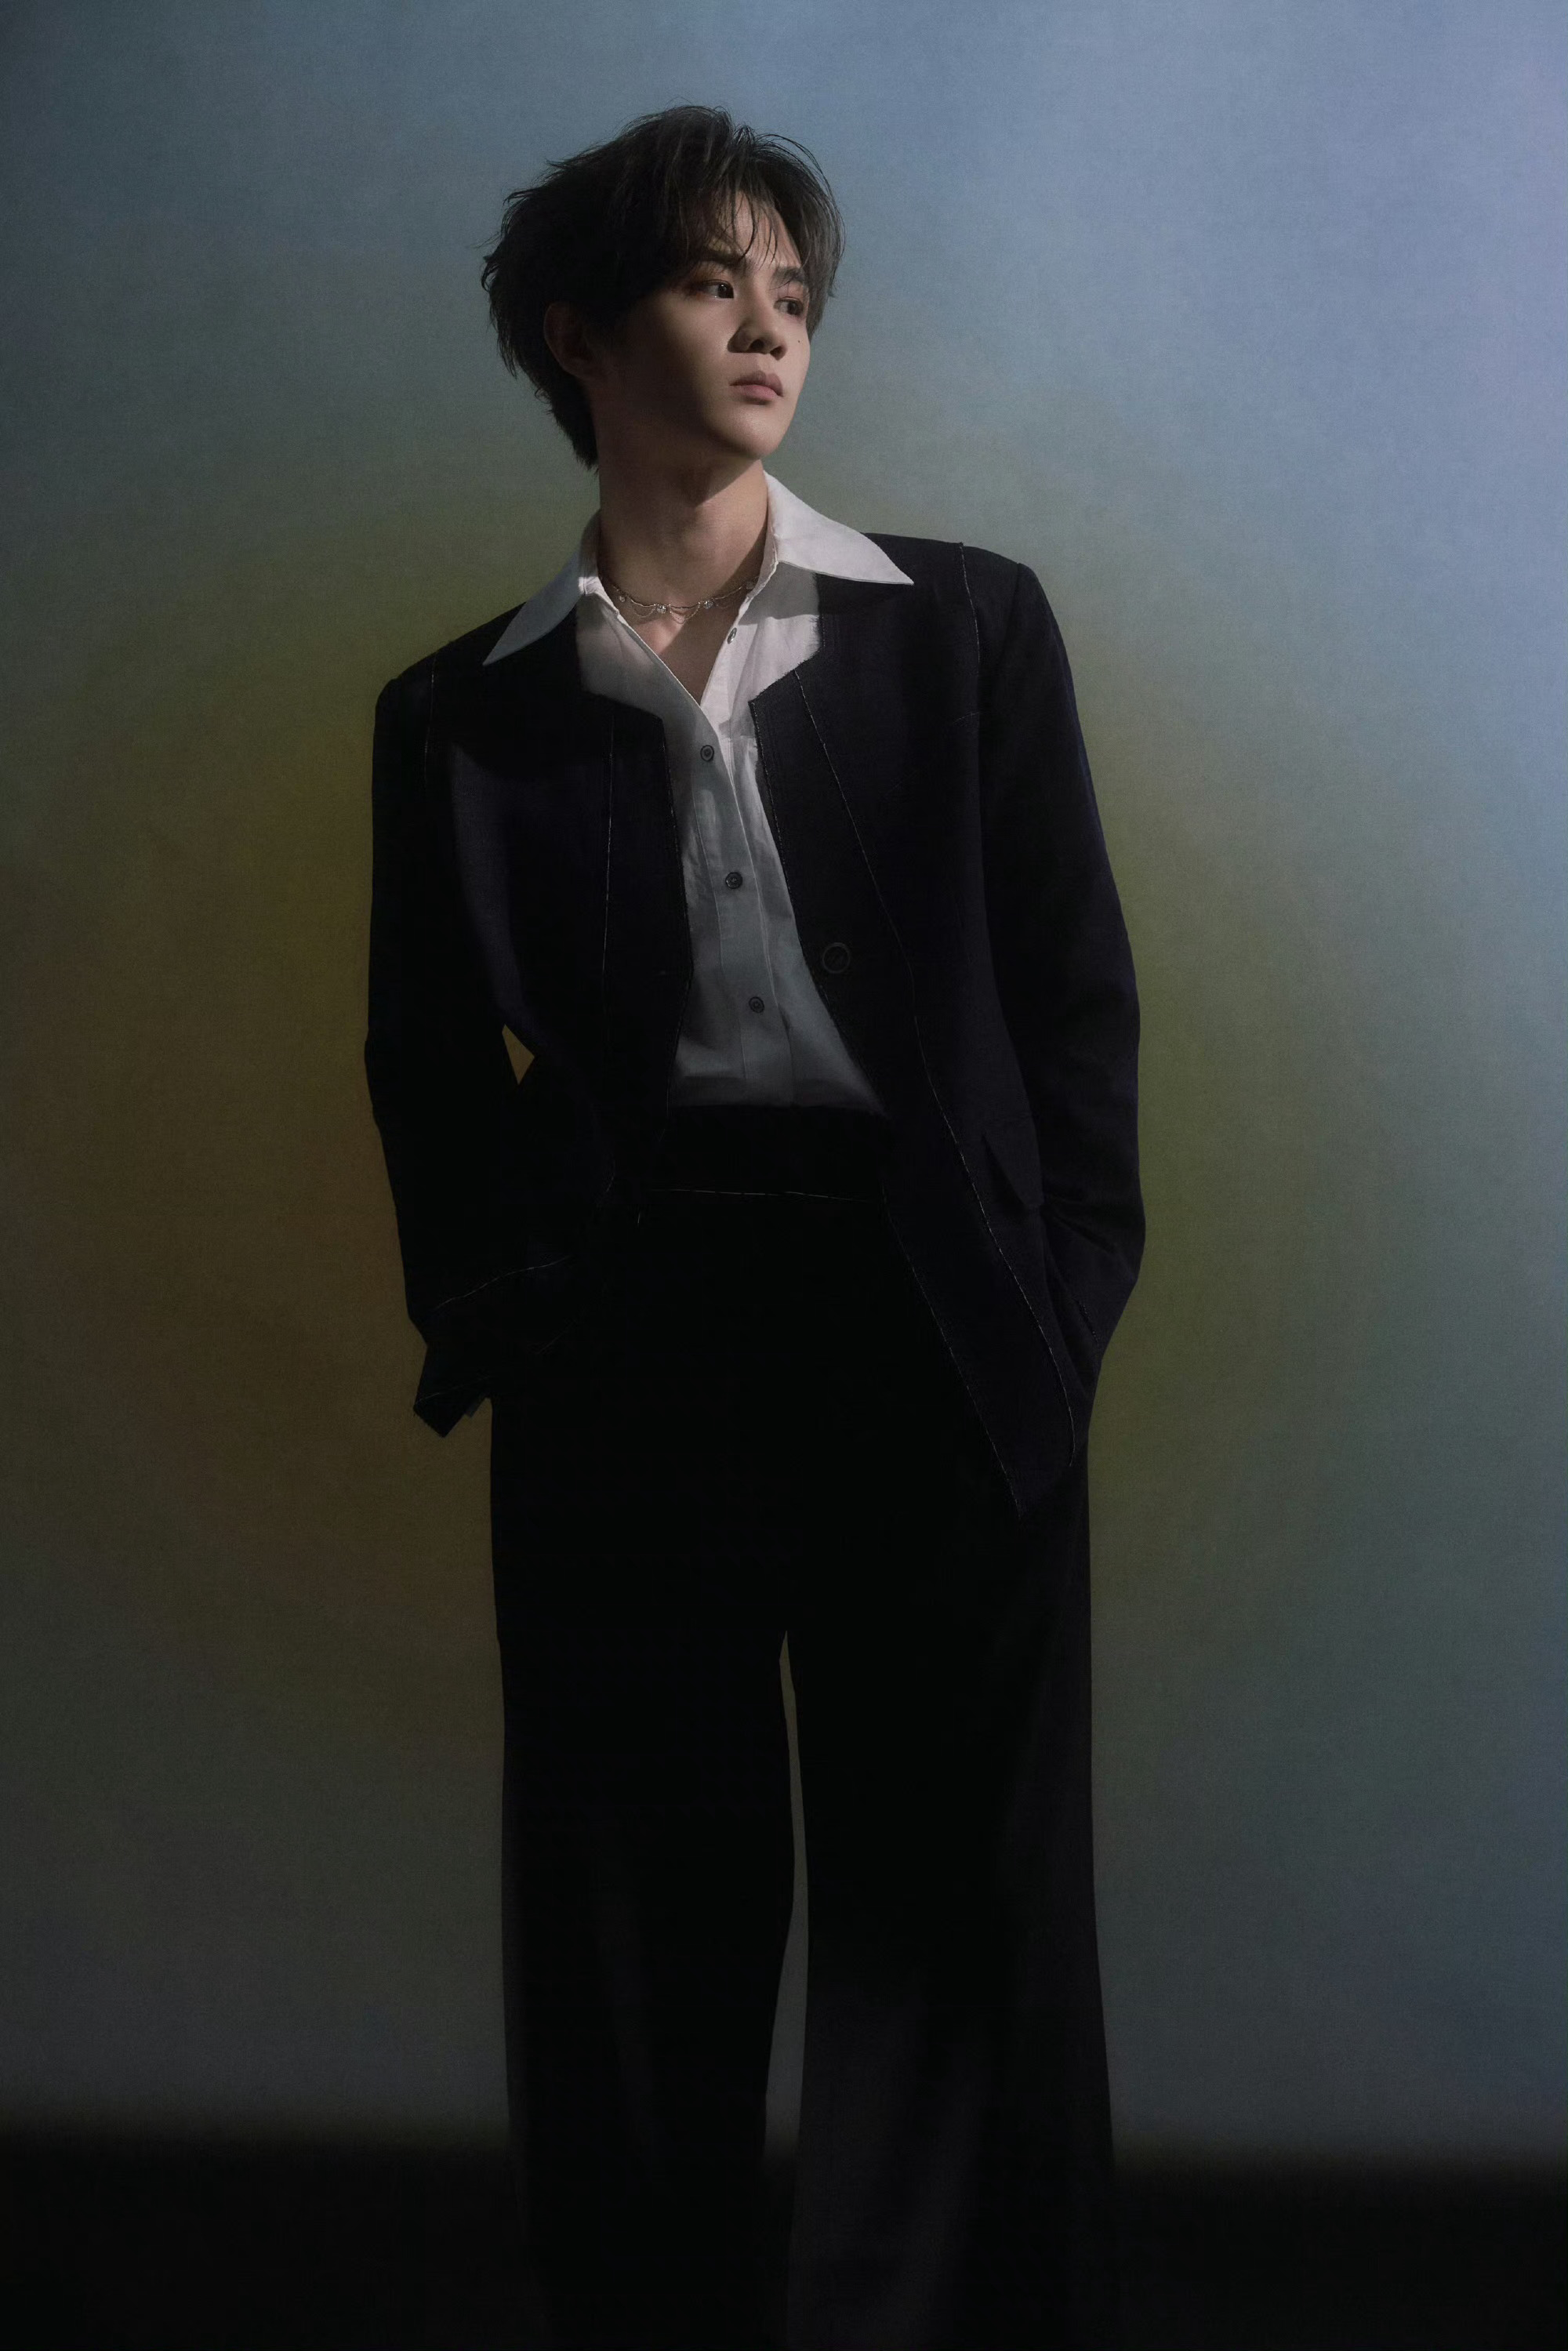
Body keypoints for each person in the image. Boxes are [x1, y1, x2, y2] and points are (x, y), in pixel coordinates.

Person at [365, 101, 1143, 2351]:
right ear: (577, 337)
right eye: (715, 285)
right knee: (633, 1919)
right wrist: (509, 1318)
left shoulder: (966, 630)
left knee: (959, 1922)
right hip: (635, 1338)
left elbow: (1076, 1008)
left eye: (792, 292)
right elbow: (427, 1065)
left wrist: (1057, 1309)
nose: (770, 328)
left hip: (936, 1321)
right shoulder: (463, 717)